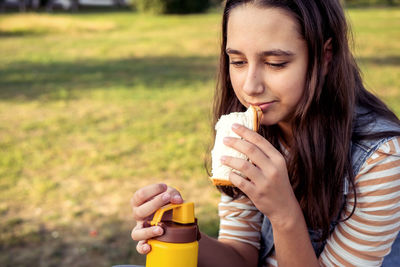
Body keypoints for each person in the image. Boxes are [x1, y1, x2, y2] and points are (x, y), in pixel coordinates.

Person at [130, 0, 400, 266]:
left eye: (275, 63)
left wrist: (284, 214)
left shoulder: (381, 159)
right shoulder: (248, 132)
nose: (250, 87)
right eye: (237, 61)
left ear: (325, 56)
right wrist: (179, 231)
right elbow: (240, 255)